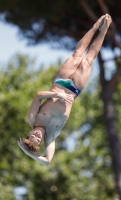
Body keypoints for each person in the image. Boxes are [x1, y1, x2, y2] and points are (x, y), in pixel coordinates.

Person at [18, 14, 112, 165]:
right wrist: (27, 152)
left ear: (29, 133)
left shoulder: (33, 119)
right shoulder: (51, 136)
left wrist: (57, 94)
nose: (36, 135)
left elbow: (38, 96)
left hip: (60, 84)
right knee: (88, 60)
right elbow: (47, 161)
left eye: (32, 136)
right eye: (37, 139)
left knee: (77, 54)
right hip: (74, 90)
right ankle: (104, 30)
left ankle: (95, 27)